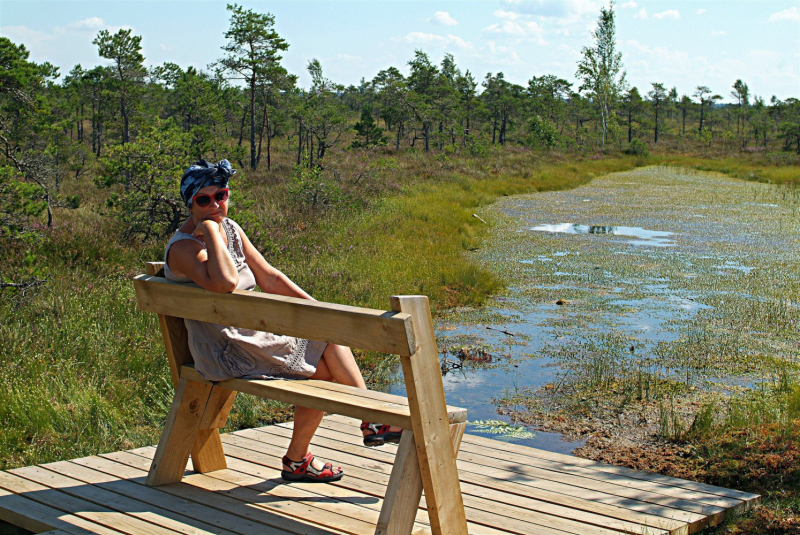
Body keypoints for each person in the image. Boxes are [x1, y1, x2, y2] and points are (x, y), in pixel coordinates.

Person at [163, 159, 402, 483]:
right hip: (223, 350)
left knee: (324, 351)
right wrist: (209, 229)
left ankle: (305, 456)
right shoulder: (184, 248)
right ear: (190, 204)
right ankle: (370, 418)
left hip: (252, 337)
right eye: (203, 200)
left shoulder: (232, 229)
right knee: (327, 347)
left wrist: (317, 309)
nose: (216, 205)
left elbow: (270, 278)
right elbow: (224, 282)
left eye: (221, 195)